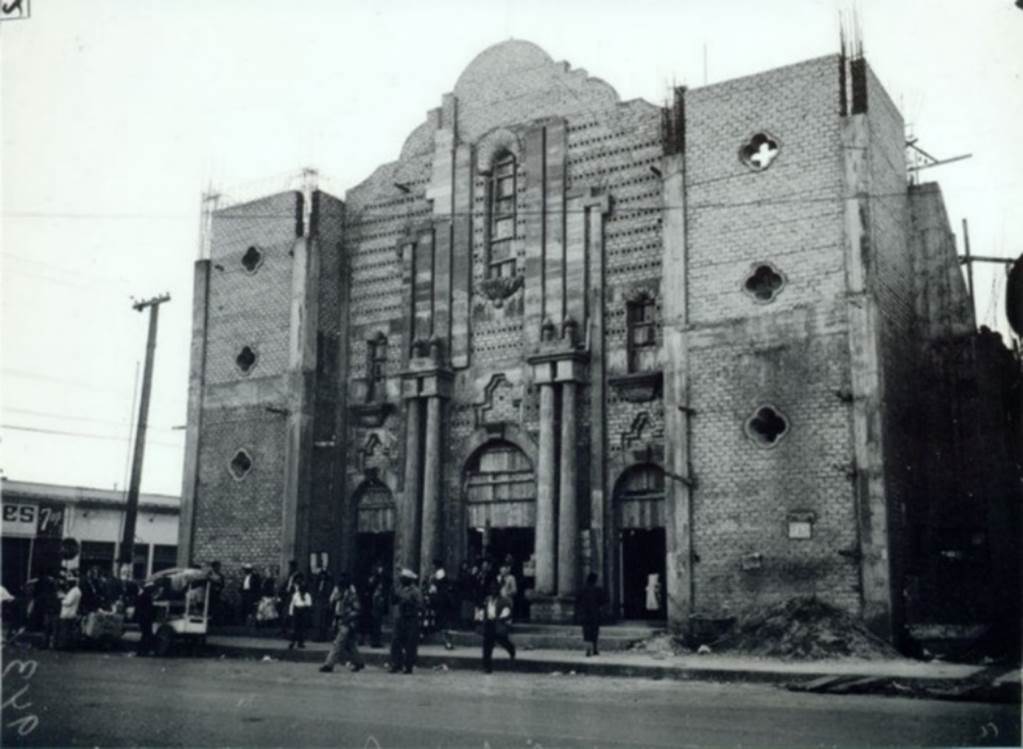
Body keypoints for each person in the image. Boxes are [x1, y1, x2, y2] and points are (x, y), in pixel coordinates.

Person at [319, 573, 364, 673]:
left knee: (338, 643)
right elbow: (333, 604)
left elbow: (357, 610)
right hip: (340, 621)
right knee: (349, 645)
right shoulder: (339, 594)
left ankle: (329, 664)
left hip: (348, 622)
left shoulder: (352, 596)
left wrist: (348, 618)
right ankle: (358, 662)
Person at [389, 568, 423, 674]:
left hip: (411, 618)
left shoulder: (415, 591)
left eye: (403, 578)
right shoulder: (399, 589)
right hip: (400, 617)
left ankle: (408, 666)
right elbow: (394, 601)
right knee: (396, 641)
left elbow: (420, 605)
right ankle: (396, 664)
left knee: (410, 643)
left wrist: (408, 602)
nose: (401, 580)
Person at [480, 581, 515, 673]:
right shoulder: (488, 600)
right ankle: (487, 667)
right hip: (489, 624)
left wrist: (500, 619)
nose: (493, 591)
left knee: (503, 641)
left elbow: (507, 613)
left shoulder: (504, 601)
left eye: (495, 590)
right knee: (487, 646)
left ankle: (511, 649)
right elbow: (484, 611)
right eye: (491, 589)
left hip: (498, 624)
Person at [576, 572, 607, 657]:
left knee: (586, 633)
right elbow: (603, 602)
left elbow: (577, 602)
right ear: (595, 580)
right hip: (595, 614)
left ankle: (588, 650)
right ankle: (595, 650)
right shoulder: (598, 590)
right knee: (595, 632)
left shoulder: (582, 589)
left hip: (585, 615)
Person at [427, 559, 454, 650]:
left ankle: (447, 639)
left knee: (443, 616)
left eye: (433, 565)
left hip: (442, 598)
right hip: (440, 597)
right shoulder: (437, 574)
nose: (432, 567)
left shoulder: (440, 573)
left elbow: (436, 585)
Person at [364, 564, 388, 648]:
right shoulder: (374, 580)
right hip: (374, 606)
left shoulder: (379, 580)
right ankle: (375, 641)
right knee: (376, 624)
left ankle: (376, 641)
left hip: (377, 606)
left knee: (377, 624)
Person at [57, 576, 82, 649]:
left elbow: (69, 602)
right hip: (71, 612)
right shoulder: (76, 591)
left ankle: (64, 645)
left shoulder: (74, 591)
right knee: (69, 630)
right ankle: (68, 645)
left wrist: (62, 600)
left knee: (65, 630)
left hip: (68, 613)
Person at [288, 580, 313, 649]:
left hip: (303, 611)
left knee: (302, 628)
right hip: (296, 611)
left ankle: (300, 642)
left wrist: (304, 604)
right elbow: (292, 604)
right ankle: (292, 642)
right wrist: (291, 613)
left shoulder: (307, 595)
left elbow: (309, 604)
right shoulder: (296, 595)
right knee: (294, 627)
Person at [311, 568, 334, 641]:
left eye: (323, 575)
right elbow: (315, 592)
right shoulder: (317, 583)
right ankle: (316, 636)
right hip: (318, 602)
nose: (322, 577)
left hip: (324, 602)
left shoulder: (328, 584)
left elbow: (328, 593)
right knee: (317, 620)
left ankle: (322, 637)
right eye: (321, 575)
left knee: (323, 621)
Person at [135, 582, 157, 656]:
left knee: (145, 634)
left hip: (143, 618)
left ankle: (142, 651)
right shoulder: (146, 596)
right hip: (145, 618)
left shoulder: (143, 596)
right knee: (146, 634)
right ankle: (143, 650)